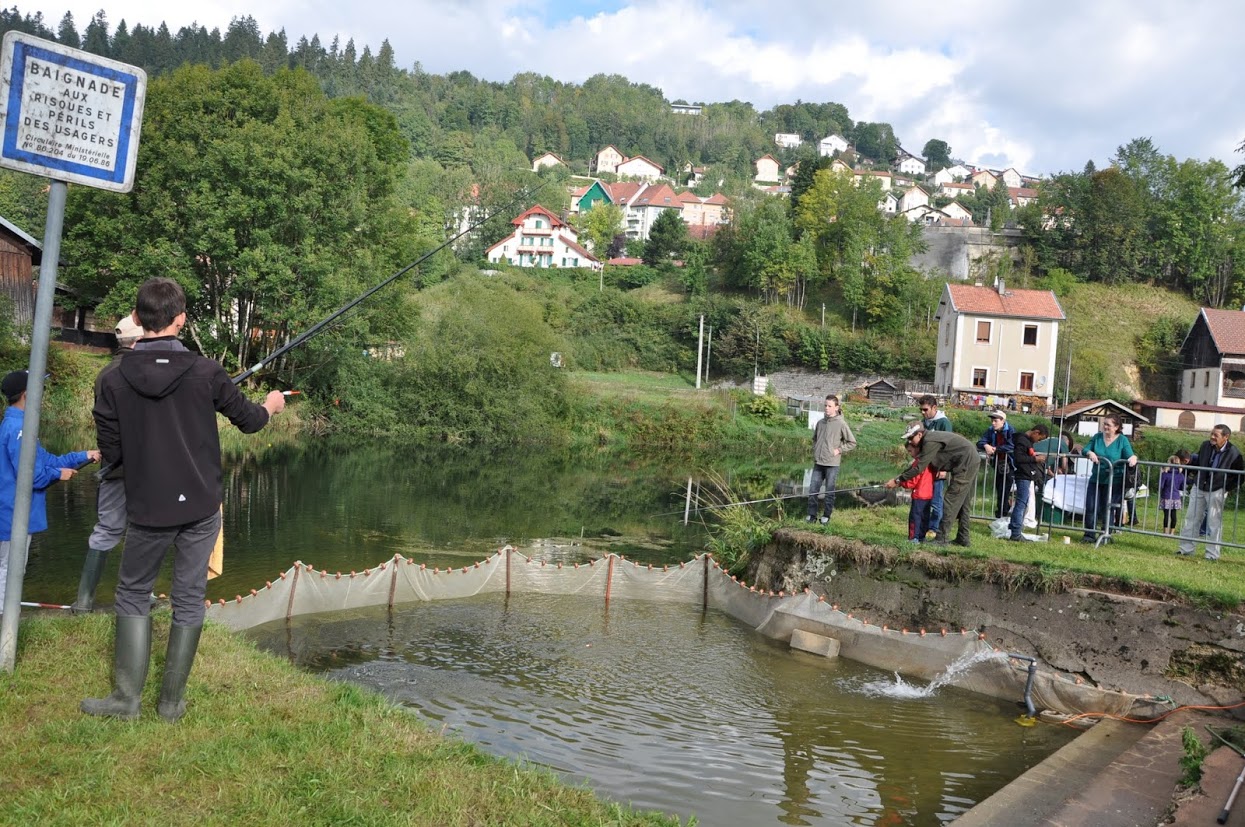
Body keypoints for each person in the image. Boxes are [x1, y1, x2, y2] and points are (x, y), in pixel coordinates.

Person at [82, 278, 285, 722]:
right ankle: (171, 704)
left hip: (147, 508)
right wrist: (271, 405)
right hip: (200, 508)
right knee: (189, 597)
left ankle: (126, 700)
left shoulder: (111, 378)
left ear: (137, 318)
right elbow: (250, 421)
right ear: (181, 319)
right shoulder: (207, 372)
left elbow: (112, 453)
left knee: (133, 593)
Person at [0, 370, 99, 601]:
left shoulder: (17, 424)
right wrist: (57, 474)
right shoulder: (19, 429)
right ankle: (5, 618)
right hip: (12, 514)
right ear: (27, 394)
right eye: (40, 389)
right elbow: (31, 475)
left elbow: (46, 460)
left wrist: (82, 455)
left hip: (12, 513)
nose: (42, 393)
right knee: (10, 570)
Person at [71, 314, 145, 614]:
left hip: (115, 466)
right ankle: (139, 597)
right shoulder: (141, 373)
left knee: (106, 530)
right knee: (146, 530)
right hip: (142, 468)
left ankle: (84, 602)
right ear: (139, 341)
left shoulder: (105, 374)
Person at [885, 423, 980, 547]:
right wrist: (900, 478)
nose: (910, 441)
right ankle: (963, 538)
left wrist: (898, 480)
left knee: (951, 500)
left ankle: (941, 538)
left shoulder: (929, 441)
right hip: (970, 459)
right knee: (963, 503)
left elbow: (919, 467)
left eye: (911, 438)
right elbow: (920, 464)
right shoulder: (929, 439)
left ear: (919, 434)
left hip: (966, 462)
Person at [1176, 424, 1244, 561]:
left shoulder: (1234, 453)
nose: (1212, 437)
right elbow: (1199, 462)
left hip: (1217, 489)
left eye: (1216, 435)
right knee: (1191, 518)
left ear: (1226, 437)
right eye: (1211, 434)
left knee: (1214, 522)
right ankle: (1186, 550)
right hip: (1199, 486)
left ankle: (1212, 555)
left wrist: (1226, 488)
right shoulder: (1205, 445)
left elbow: (1240, 475)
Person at [1080, 415, 1137, 544]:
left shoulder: (1122, 440)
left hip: (1114, 481)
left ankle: (1106, 534)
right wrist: (1090, 453)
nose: (1105, 426)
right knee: (1091, 506)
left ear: (1116, 427)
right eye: (1104, 424)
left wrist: (1133, 458)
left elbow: (1130, 455)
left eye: (1108, 425)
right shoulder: (1097, 437)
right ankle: (1089, 535)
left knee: (1108, 508)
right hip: (1096, 479)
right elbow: (1085, 449)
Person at [806, 395, 856, 525]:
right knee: (813, 490)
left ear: (836, 407)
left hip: (832, 464)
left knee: (829, 492)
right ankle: (811, 516)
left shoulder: (841, 423)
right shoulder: (820, 423)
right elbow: (815, 439)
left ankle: (826, 516)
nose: (826, 408)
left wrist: (838, 450)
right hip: (818, 462)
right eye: (825, 405)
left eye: (829, 406)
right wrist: (816, 449)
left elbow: (852, 442)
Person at [918, 395, 952, 537]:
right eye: (921, 410)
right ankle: (925, 525)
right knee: (925, 496)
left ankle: (935, 528)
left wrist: (944, 468)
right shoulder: (923, 422)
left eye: (925, 409)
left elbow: (948, 447)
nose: (923, 412)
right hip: (926, 466)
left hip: (939, 466)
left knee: (936, 499)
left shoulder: (944, 423)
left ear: (934, 408)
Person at [1008, 423, 1048, 541]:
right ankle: (1016, 532)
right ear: (1036, 432)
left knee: (1023, 503)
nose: (1038, 441)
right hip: (1023, 475)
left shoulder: (1027, 441)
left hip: (1026, 475)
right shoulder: (1022, 440)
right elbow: (1018, 458)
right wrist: (1035, 459)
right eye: (1039, 439)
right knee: (1021, 504)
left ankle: (1015, 528)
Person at [977, 410, 1015, 518]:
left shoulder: (1010, 430)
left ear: (1003, 421)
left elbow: (1012, 445)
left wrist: (995, 449)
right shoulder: (991, 430)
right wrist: (986, 446)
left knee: (1005, 489)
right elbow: (980, 442)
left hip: (1010, 463)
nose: (993, 423)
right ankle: (1003, 512)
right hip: (998, 464)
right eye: (992, 421)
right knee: (999, 488)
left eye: (995, 421)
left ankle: (1002, 513)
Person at [899, 441, 934, 543]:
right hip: (928, 494)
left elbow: (913, 480)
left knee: (915, 517)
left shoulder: (918, 463)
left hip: (919, 494)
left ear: (918, 449)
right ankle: (922, 537)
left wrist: (901, 483)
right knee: (924, 517)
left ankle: (913, 538)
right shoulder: (930, 461)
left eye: (910, 451)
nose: (910, 454)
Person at [1158, 456, 1186, 536]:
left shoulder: (1165, 474)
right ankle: (1172, 532)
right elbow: (1183, 487)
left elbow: (1161, 486)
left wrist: (1161, 474)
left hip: (1166, 496)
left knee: (1166, 515)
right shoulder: (1181, 475)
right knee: (1174, 515)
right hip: (1176, 497)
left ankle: (1165, 532)